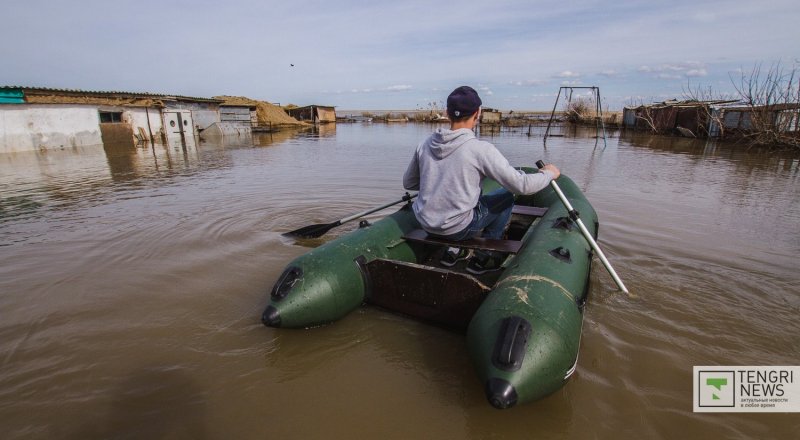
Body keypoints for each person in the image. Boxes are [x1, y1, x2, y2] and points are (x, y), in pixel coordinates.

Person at [403, 85, 560, 274]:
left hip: (426, 223)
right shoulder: (480, 149)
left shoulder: (425, 144)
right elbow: (521, 185)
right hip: (457, 228)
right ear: (477, 113)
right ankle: (483, 258)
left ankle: (452, 252)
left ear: (447, 113)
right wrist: (549, 173)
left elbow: (409, 183)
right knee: (506, 196)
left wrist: (436, 179)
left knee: (479, 198)